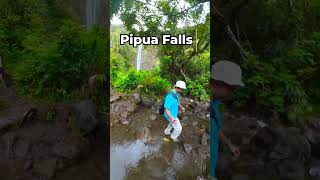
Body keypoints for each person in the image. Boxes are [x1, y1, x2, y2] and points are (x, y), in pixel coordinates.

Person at [210, 61, 244, 179]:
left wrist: (229, 144)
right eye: (232, 88)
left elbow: (215, 128)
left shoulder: (214, 105)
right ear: (219, 83)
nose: (232, 93)